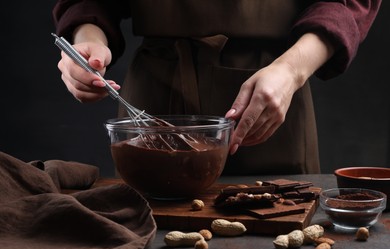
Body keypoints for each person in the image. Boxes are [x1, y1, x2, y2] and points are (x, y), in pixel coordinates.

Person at [52, 1, 381, 175]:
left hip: (268, 97)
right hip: (154, 95)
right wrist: (87, 42)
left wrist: (291, 71)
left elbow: (346, 3)